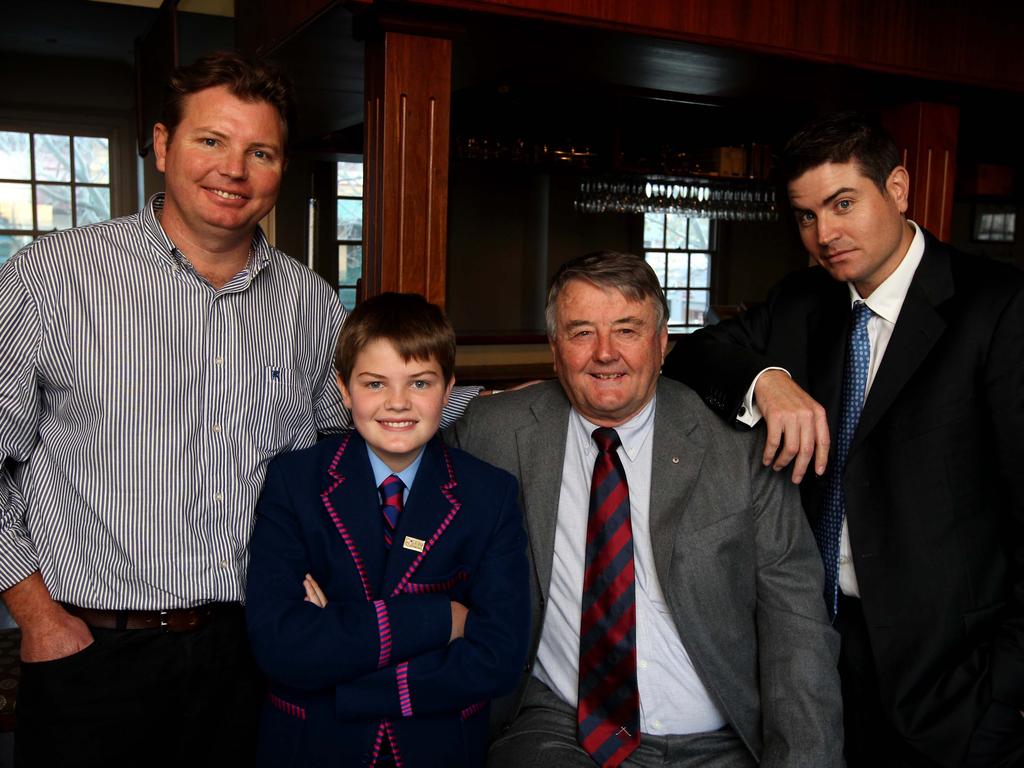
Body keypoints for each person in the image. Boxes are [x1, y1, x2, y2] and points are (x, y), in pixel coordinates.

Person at [0, 52, 476, 766]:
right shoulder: (51, 277)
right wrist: (36, 616)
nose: (235, 170)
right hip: (94, 648)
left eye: (261, 151)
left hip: (261, 650)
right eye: (211, 141)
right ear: (163, 145)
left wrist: (487, 403)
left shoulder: (309, 301)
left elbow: (352, 448)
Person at [661, 111, 1024, 767]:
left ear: (900, 188)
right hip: (821, 657)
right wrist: (766, 380)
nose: (824, 235)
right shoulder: (806, 301)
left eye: (842, 203)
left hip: (954, 682)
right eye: (805, 216)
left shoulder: (998, 307)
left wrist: (1005, 695)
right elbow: (693, 356)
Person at [450, 251, 843, 768]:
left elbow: (796, 625)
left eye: (628, 331)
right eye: (581, 332)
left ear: (662, 346)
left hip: (717, 740)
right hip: (560, 729)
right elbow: (393, 453)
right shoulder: (494, 431)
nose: (605, 353)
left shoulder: (741, 450)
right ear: (554, 348)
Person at [244, 291, 530, 768]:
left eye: (420, 383)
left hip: (435, 747)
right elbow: (282, 646)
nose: (397, 404)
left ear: (449, 386)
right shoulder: (295, 482)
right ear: (344, 389)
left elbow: (498, 658)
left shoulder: (489, 494)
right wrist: (443, 619)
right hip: (312, 746)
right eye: (374, 384)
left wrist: (339, 653)